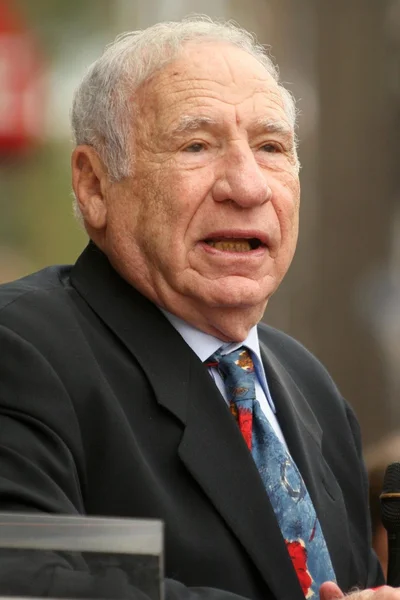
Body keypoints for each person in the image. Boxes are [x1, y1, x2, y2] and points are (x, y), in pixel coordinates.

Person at [0, 15, 395, 600]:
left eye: (271, 147)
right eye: (197, 145)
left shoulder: (311, 389)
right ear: (94, 185)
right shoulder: (22, 349)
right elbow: (27, 582)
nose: (247, 185)